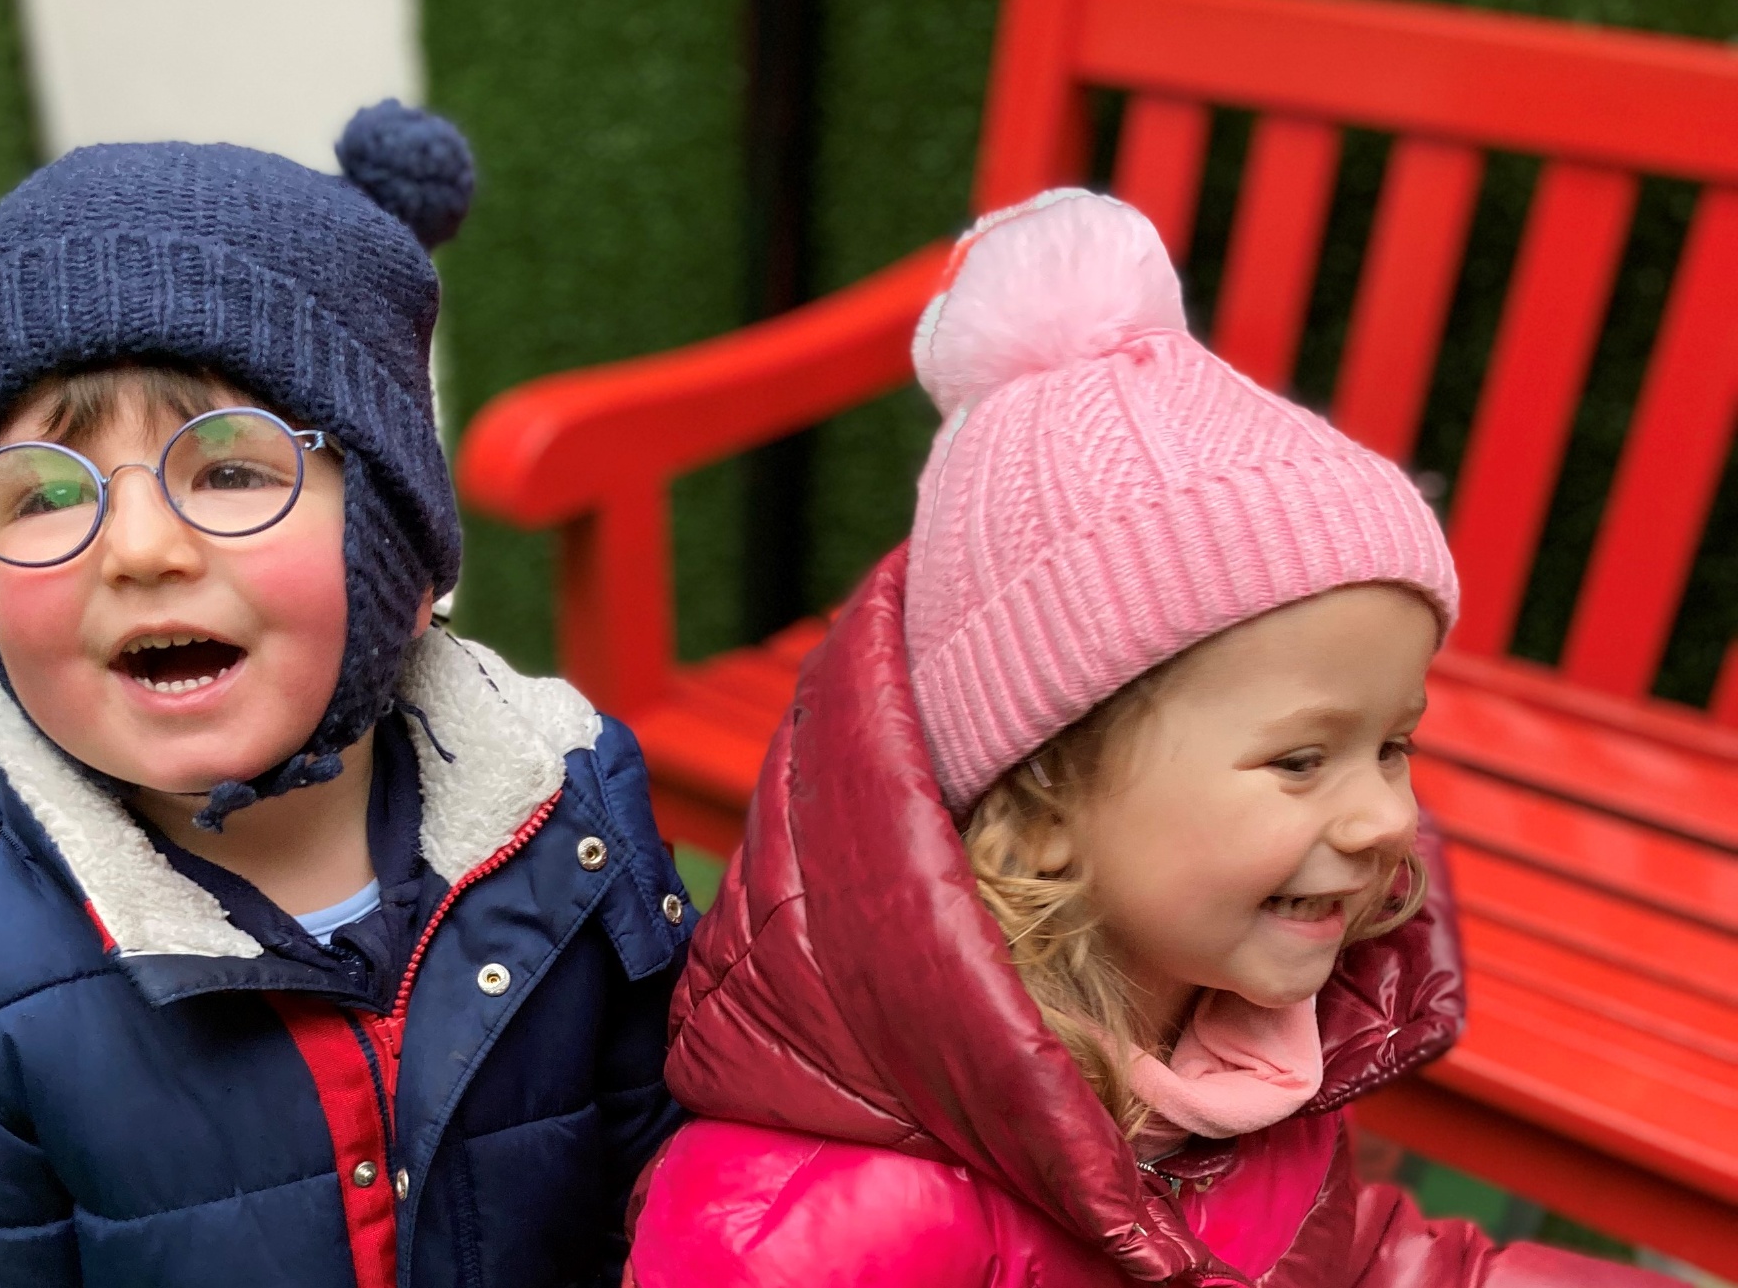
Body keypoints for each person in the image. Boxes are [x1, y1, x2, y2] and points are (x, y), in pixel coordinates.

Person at [624, 191, 1667, 1287]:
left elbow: (1354, 1258)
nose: (1386, 815)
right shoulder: (811, 1229)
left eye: (1392, 744)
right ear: (1037, 814)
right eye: (1301, 759)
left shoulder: (1229, 1044)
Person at [0, 102, 697, 1288]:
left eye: (235, 466)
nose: (138, 547)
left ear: (392, 542)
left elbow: (681, 1195)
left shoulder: (569, 819)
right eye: (45, 492)